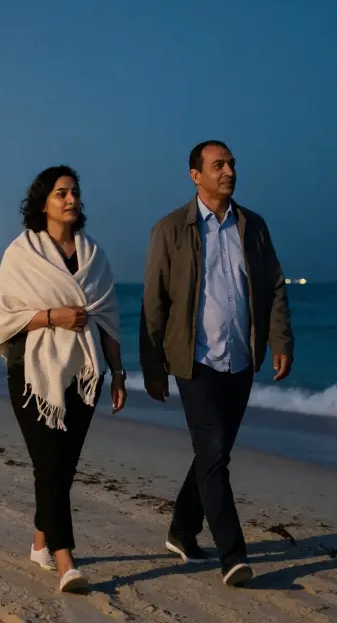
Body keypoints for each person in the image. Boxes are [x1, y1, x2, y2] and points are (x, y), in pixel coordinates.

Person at [139, 140, 294, 587]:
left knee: (214, 453)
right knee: (213, 455)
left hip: (242, 359)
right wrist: (152, 367)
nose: (228, 171)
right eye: (218, 165)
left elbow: (275, 286)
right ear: (196, 175)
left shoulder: (253, 226)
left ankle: (182, 529)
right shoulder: (170, 229)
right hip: (195, 361)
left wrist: (281, 339)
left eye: (231, 164)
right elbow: (154, 302)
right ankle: (234, 556)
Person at [0, 165, 127, 593]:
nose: (70, 200)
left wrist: (119, 372)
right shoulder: (21, 252)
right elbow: (6, 315)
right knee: (48, 464)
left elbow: (107, 319)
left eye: (74, 193)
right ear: (43, 202)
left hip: (85, 373)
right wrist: (54, 317)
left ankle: (39, 544)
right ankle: (66, 560)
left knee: (62, 468)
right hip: (33, 374)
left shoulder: (94, 256)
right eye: (61, 193)